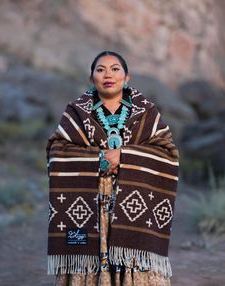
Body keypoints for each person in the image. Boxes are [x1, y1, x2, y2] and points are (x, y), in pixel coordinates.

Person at [46, 51, 179, 286]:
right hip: (90, 205)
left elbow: (167, 152)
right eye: (100, 69)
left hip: (134, 207)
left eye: (115, 69)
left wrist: (125, 156)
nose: (108, 75)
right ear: (91, 78)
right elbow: (57, 151)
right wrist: (97, 160)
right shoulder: (76, 112)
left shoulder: (146, 112)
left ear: (127, 77)